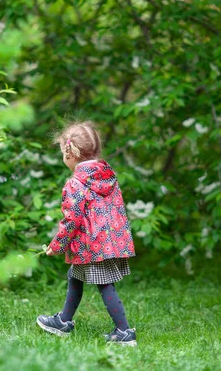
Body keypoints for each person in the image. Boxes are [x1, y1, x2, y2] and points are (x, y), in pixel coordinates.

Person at [36, 121, 137, 346]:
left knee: (104, 284)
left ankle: (124, 332)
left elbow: (72, 220)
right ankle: (64, 320)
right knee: (76, 277)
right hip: (110, 242)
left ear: (69, 153)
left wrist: (57, 244)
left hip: (92, 246)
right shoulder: (107, 176)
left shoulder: (76, 184)